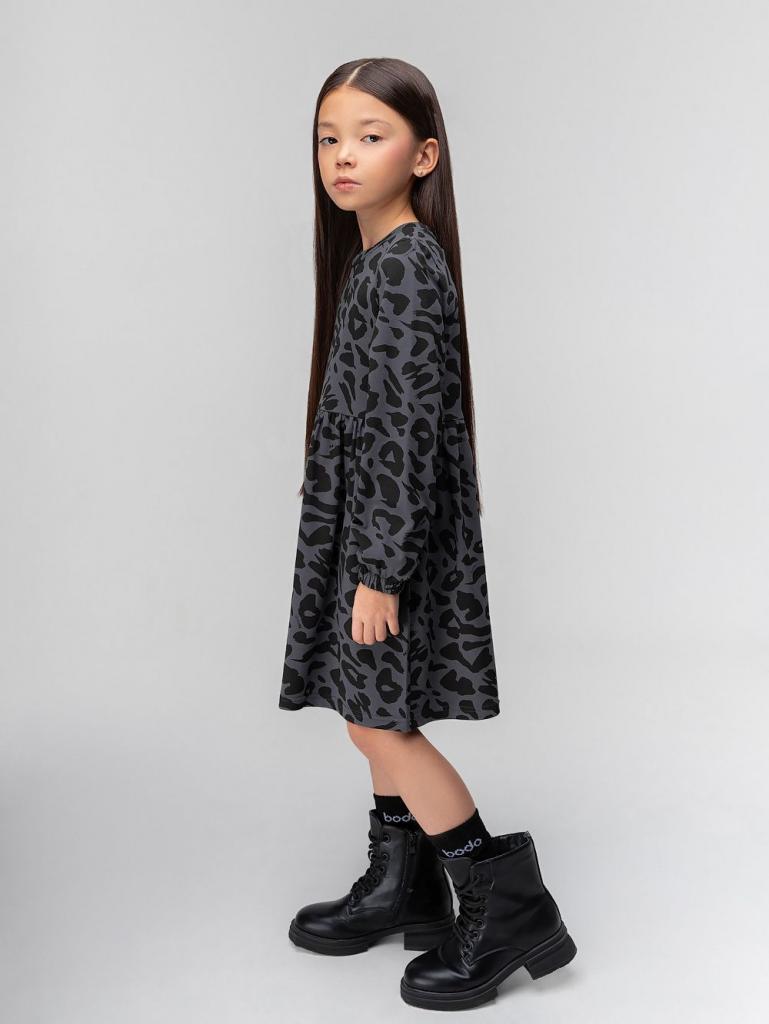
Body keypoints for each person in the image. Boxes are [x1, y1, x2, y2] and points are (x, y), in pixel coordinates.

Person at [278, 57, 577, 1010]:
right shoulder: (376, 261)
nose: (344, 156)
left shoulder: (404, 266)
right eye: (329, 138)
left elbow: (405, 437)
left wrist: (378, 572)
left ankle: (509, 908)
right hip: (371, 531)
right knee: (370, 710)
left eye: (370, 137)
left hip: (388, 543)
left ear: (423, 155)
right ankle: (401, 886)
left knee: (379, 721)